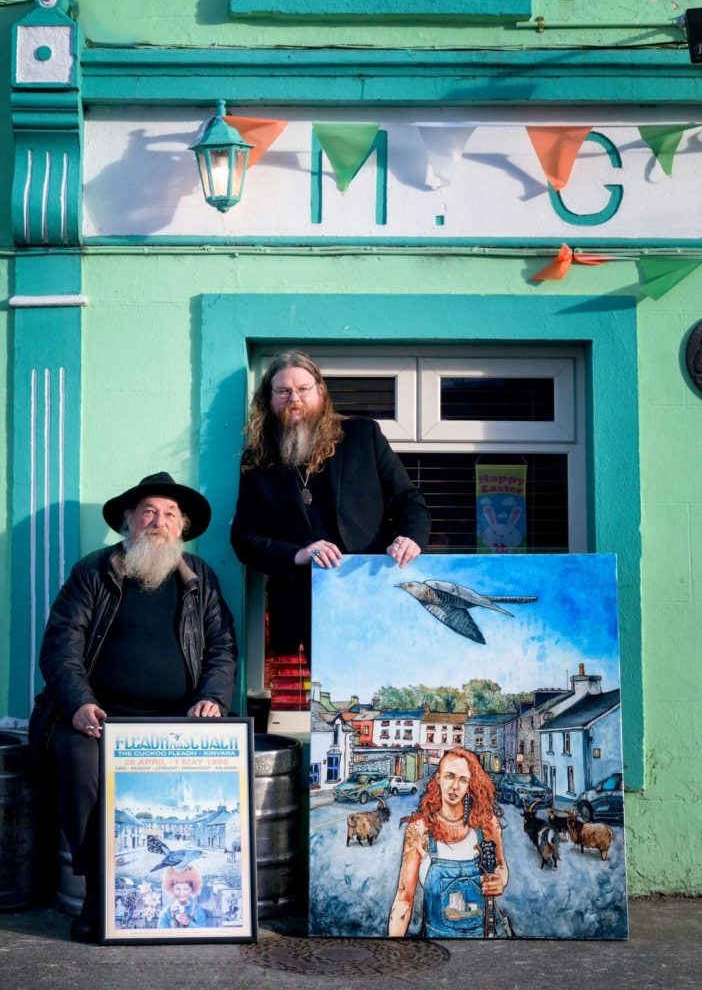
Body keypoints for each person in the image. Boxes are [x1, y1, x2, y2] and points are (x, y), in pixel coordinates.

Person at [29, 472, 238, 942]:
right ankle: (96, 894)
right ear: (128, 521)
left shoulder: (201, 579)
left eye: (168, 514)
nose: (157, 522)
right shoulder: (94, 571)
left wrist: (212, 697)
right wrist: (80, 703)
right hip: (98, 719)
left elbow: (223, 647)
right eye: (147, 512)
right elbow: (61, 645)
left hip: (175, 722)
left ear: (181, 527)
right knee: (80, 765)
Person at [230, 349, 432, 666]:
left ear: (321, 392)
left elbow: (408, 500)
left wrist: (410, 537)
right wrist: (297, 554)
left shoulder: (363, 436)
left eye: (302, 389)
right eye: (283, 391)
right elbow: (243, 538)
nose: (293, 398)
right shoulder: (258, 461)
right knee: (329, 706)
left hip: (374, 589)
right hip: (306, 606)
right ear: (269, 399)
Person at [388, 748, 509, 939]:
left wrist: (500, 880)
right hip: (438, 945)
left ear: (471, 784)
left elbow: (501, 867)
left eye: (463, 780)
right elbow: (404, 899)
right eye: (449, 776)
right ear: (438, 778)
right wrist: (392, 948)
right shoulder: (419, 830)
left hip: (489, 937)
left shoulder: (487, 824)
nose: (455, 786)